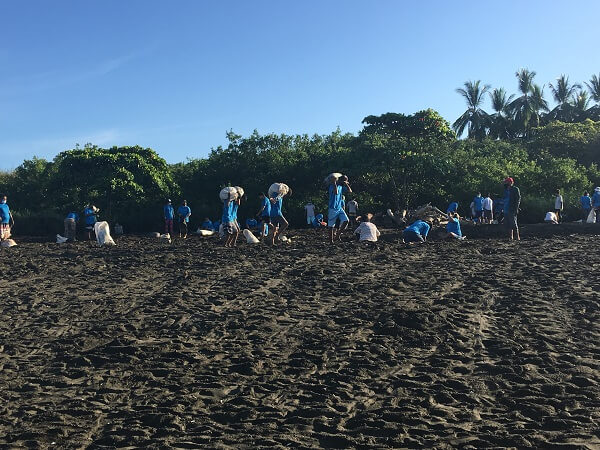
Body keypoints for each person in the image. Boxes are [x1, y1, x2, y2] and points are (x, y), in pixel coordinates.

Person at [328, 175, 352, 244]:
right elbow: (336, 192)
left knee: (346, 220)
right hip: (332, 208)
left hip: (339, 208)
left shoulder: (341, 187)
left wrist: (346, 185)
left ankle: (337, 235)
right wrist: (334, 182)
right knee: (331, 225)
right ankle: (331, 241)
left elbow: (350, 191)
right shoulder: (332, 186)